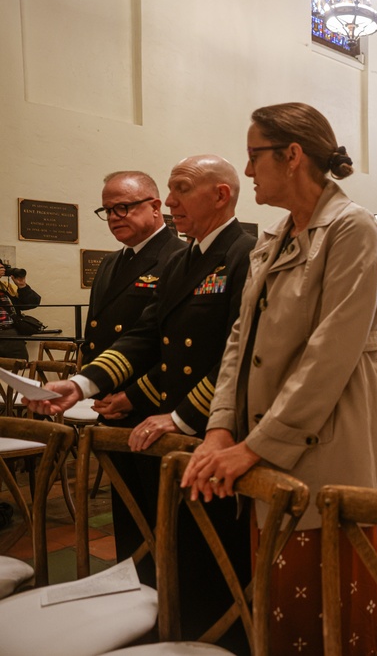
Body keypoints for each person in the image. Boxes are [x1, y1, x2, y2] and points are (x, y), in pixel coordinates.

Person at [179, 102, 377, 654]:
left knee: (331, 619)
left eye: (254, 156)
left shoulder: (352, 229)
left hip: (327, 446)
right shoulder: (273, 238)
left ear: (292, 156)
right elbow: (238, 342)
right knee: (281, 615)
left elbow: (329, 356)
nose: (247, 171)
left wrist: (252, 446)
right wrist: (221, 428)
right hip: (262, 445)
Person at [25, 154, 255, 648]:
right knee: (167, 546)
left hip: (214, 431)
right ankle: (169, 631)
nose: (169, 201)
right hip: (167, 427)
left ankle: (216, 642)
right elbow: (148, 336)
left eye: (179, 189)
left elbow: (243, 356)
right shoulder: (182, 258)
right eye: (167, 190)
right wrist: (84, 384)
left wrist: (181, 416)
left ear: (220, 194)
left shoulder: (246, 253)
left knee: (212, 562)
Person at [84, 170, 186, 573]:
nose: (113, 216)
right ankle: (133, 589)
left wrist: (133, 396)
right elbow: (97, 332)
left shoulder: (176, 258)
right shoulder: (112, 263)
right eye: (107, 209)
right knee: (126, 514)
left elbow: (172, 344)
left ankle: (163, 599)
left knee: (159, 515)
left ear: (156, 206)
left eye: (123, 206)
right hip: (111, 405)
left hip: (154, 405)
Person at [0, 264, 41, 360]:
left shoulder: (5, 287)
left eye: (2, 267)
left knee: (21, 363)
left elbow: (32, 303)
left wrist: (22, 286)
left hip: (9, 332)